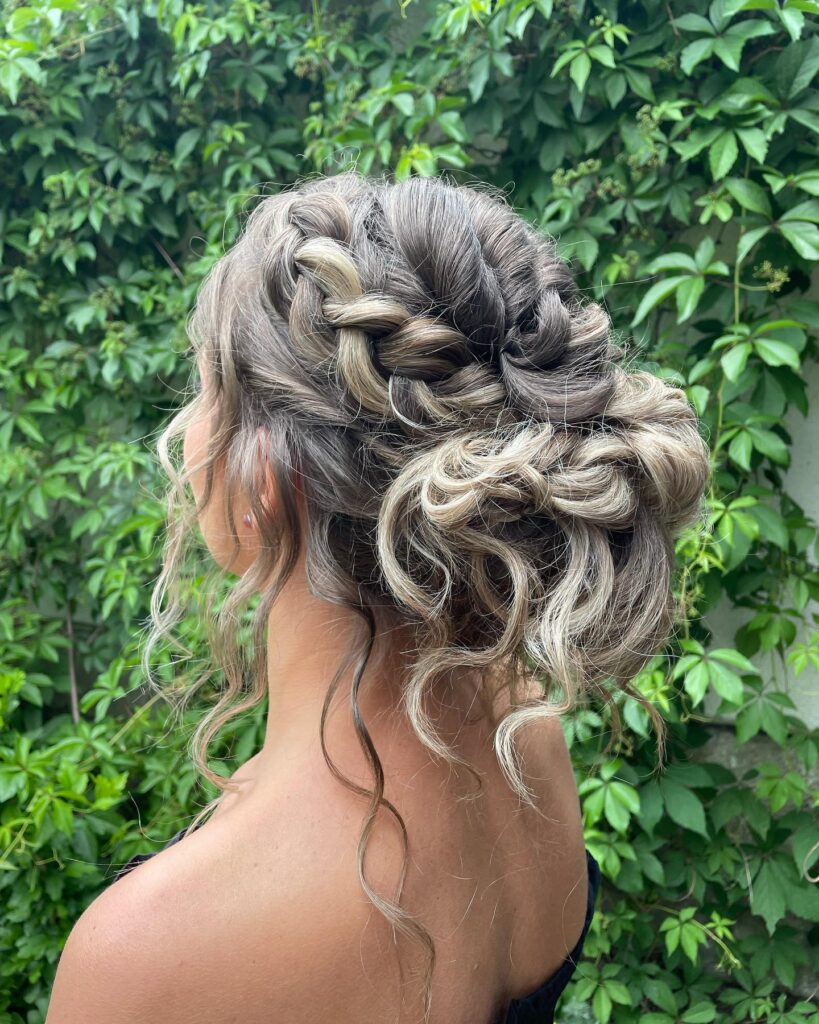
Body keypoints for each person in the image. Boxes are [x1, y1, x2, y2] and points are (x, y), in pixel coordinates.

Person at [46, 171, 711, 1024]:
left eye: (205, 385)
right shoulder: (525, 739)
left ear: (266, 479)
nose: (185, 428)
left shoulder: (149, 960)